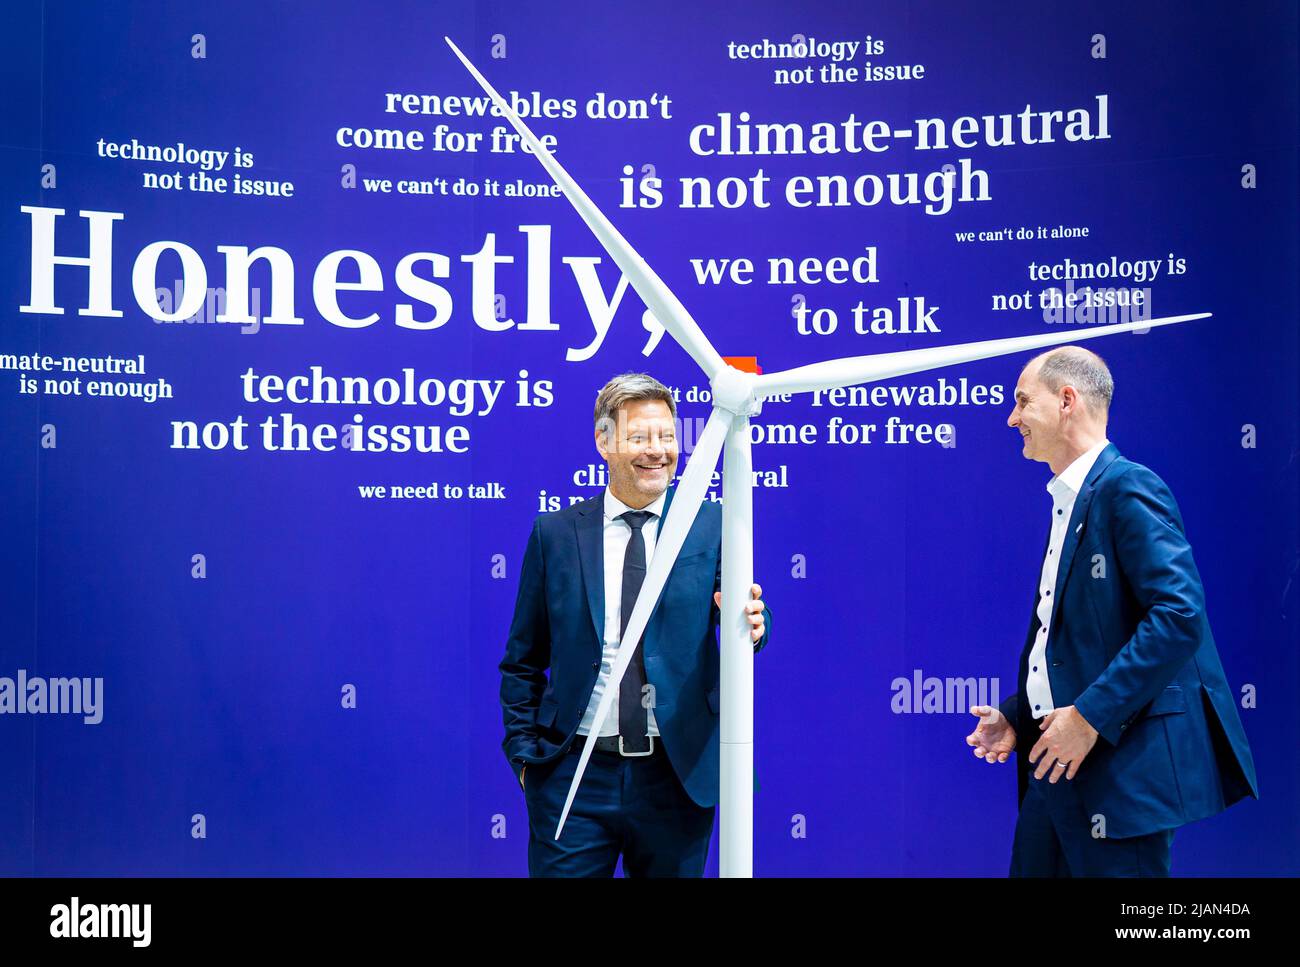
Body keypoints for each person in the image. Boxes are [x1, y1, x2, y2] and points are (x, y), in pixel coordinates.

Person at [965, 346, 1258, 876]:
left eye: (1023, 402)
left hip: (1116, 778)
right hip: (1052, 768)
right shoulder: (1070, 499)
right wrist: (1019, 713)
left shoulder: (1127, 487)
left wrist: (1089, 717)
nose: (1011, 418)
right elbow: (1084, 640)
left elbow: (1178, 616)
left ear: (1066, 400)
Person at [499, 372, 771, 876]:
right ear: (604, 441)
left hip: (676, 775)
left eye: (668, 437)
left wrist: (753, 624)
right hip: (573, 777)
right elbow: (522, 660)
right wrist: (526, 761)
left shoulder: (712, 525)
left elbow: (744, 614)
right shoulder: (555, 535)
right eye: (640, 437)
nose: (658, 451)